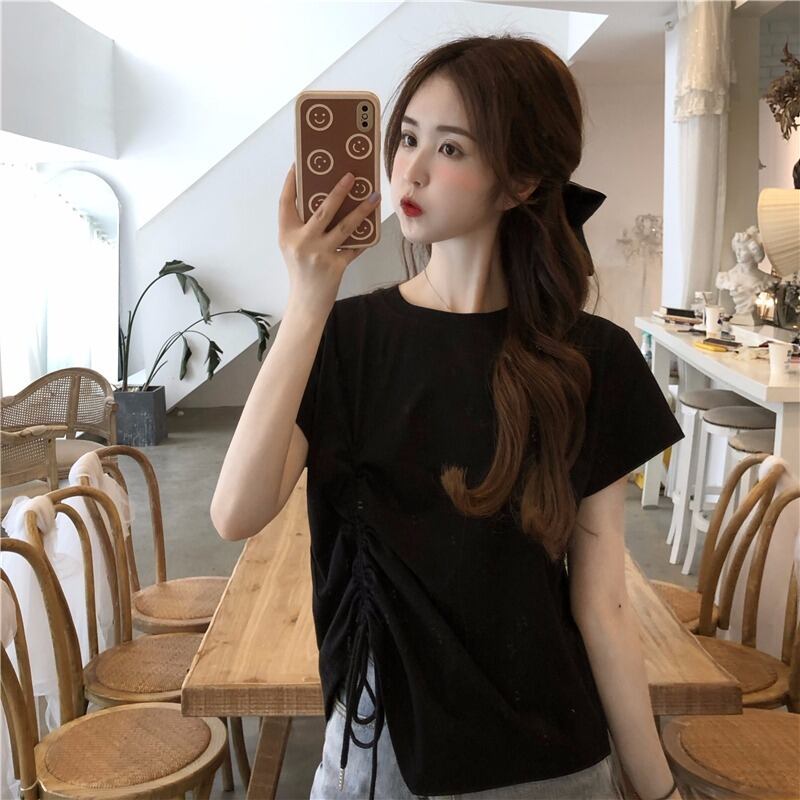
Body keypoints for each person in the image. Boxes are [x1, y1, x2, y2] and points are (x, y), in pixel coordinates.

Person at [211, 34, 685, 800]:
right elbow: (236, 511)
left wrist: (659, 790)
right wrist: (308, 299)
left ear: (520, 181)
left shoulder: (592, 358)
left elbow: (604, 603)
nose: (411, 170)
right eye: (406, 138)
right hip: (388, 761)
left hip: (555, 768)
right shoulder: (347, 337)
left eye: (451, 148)